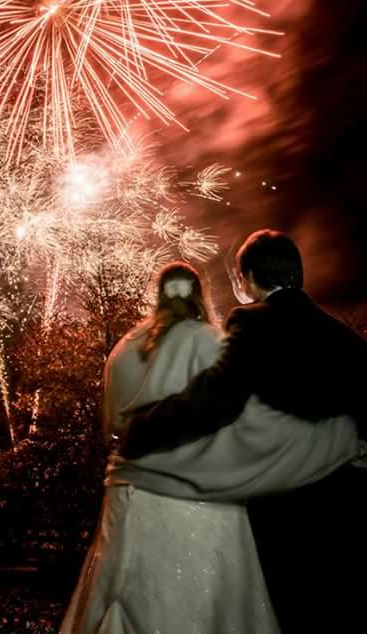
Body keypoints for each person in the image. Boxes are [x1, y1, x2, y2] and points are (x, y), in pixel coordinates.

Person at [60, 261, 359, 634]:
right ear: (199, 294)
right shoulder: (212, 342)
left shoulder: (122, 349)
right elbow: (233, 419)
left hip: (125, 494)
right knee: (203, 596)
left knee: (121, 586)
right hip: (194, 493)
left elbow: (111, 432)